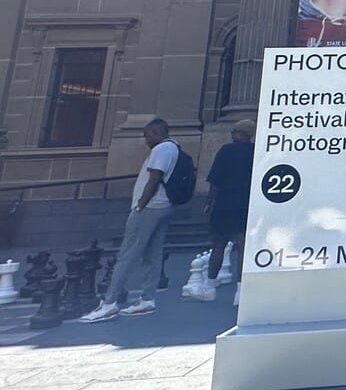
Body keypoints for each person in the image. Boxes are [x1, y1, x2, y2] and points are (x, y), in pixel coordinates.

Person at [80, 119, 180, 321]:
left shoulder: (161, 150)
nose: (146, 140)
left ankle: (109, 303)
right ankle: (148, 299)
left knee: (127, 254)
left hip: (150, 208)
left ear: (156, 131)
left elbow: (153, 179)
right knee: (153, 253)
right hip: (164, 207)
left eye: (148, 135)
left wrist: (140, 205)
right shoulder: (175, 148)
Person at [187, 119, 255, 304]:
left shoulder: (226, 151)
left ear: (238, 133)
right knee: (243, 246)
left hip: (225, 202)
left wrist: (209, 202)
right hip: (246, 202)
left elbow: (215, 180)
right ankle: (241, 291)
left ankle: (209, 286)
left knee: (219, 244)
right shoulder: (256, 151)